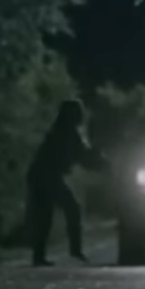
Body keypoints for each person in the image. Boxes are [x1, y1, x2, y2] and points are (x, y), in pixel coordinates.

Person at [25, 99, 107, 266]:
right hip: (46, 176)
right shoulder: (67, 134)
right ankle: (74, 250)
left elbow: (83, 157)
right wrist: (105, 164)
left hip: (43, 176)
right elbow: (85, 158)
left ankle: (40, 255)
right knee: (68, 210)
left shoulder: (63, 131)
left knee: (46, 217)